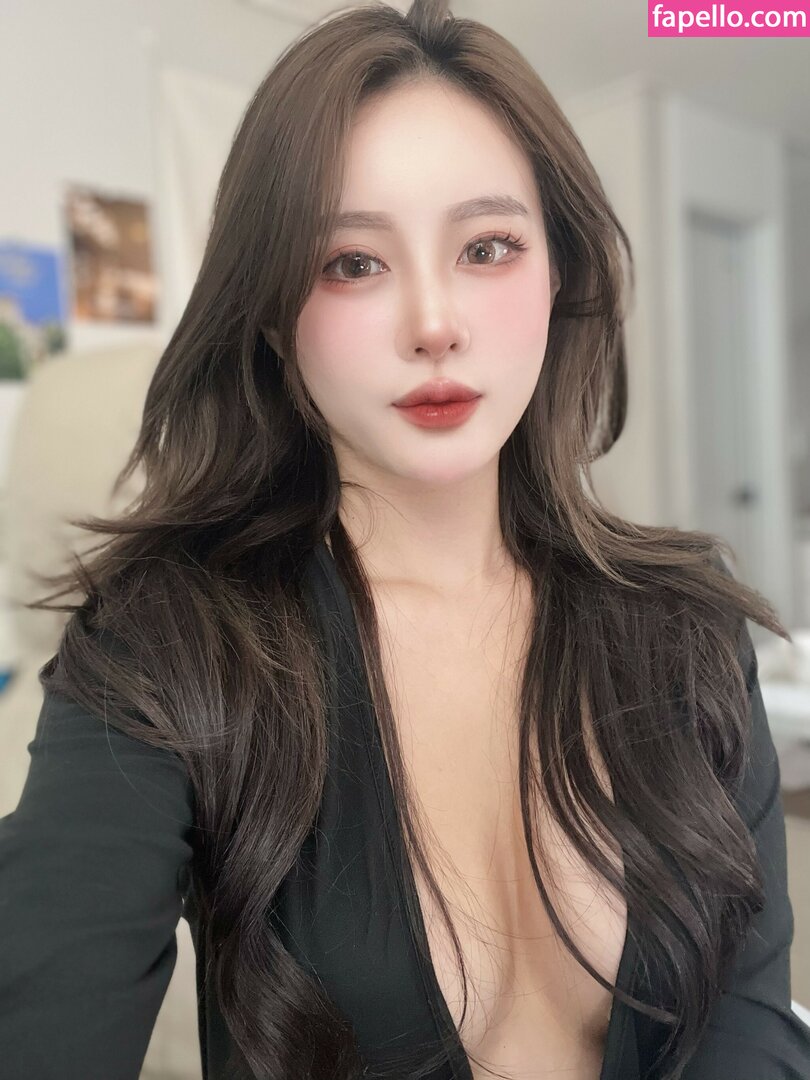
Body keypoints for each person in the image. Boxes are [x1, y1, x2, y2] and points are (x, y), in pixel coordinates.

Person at [2, 1, 810, 1078]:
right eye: (351, 262)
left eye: (488, 247)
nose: (434, 322)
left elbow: (750, 1026)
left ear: (559, 273)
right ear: (270, 311)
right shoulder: (165, 644)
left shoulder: (688, 625)